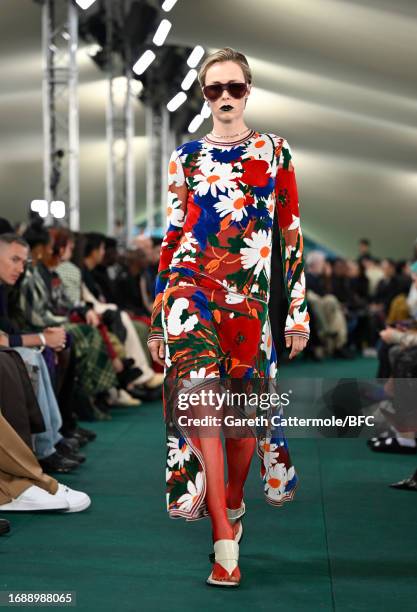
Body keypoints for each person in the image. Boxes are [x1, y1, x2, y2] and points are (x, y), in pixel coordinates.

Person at [147, 47, 309, 587]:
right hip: (190, 292)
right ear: (202, 95)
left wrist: (298, 312)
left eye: (233, 87)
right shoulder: (185, 158)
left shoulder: (276, 150)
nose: (223, 98)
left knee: (242, 424)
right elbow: (173, 236)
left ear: (248, 90)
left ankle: (233, 502)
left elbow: (290, 236)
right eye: (213, 89)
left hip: (252, 301)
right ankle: (222, 538)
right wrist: (156, 315)